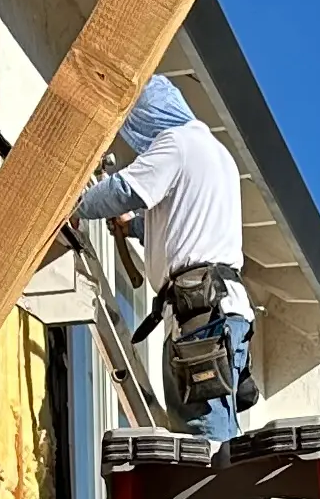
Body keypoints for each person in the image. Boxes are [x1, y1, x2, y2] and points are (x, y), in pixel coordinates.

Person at [74, 75, 256, 440]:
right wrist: (133, 227)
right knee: (207, 435)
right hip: (218, 309)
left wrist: (76, 205)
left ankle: (216, 482)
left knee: (202, 441)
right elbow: (183, 224)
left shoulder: (176, 143)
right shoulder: (216, 154)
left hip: (201, 312)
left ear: (145, 116)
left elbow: (125, 189)